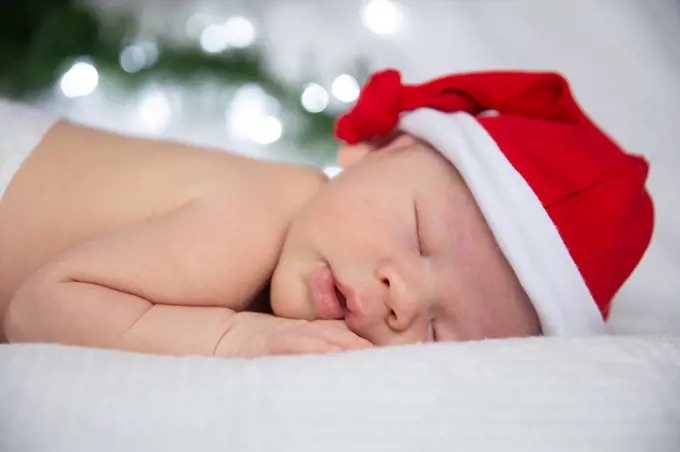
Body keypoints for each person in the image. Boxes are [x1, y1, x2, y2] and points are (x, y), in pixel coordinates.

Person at [0, 69, 654, 358]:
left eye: (435, 333)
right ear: (374, 153)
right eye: (419, 232)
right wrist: (234, 340)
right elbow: (39, 306)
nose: (403, 297)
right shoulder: (260, 214)